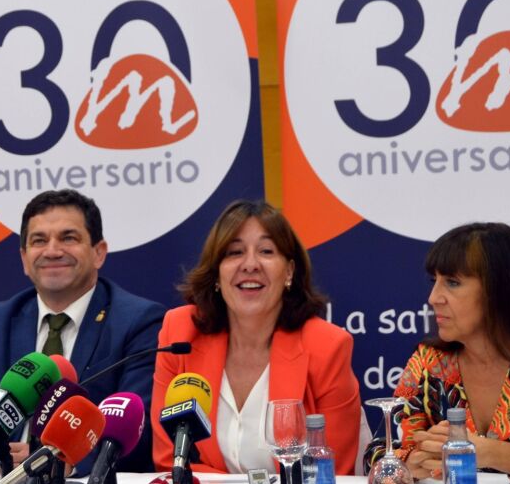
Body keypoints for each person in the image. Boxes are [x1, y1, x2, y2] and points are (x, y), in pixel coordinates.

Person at [0, 189, 166, 479]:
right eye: (39, 240)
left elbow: (135, 426)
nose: (52, 250)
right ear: (24, 257)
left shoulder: (137, 321)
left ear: (98, 253)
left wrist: (58, 459)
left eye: (68, 238)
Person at [364, 223, 510, 483]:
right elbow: (377, 452)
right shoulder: (428, 360)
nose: (433, 297)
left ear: (499, 290)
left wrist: (488, 452)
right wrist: (411, 462)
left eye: (452, 283)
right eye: (435, 281)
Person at [152, 200, 362, 475]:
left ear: (289, 271)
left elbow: (327, 472)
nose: (250, 264)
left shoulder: (328, 346)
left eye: (266, 251)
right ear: (216, 273)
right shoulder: (180, 332)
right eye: (234, 252)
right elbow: (171, 462)